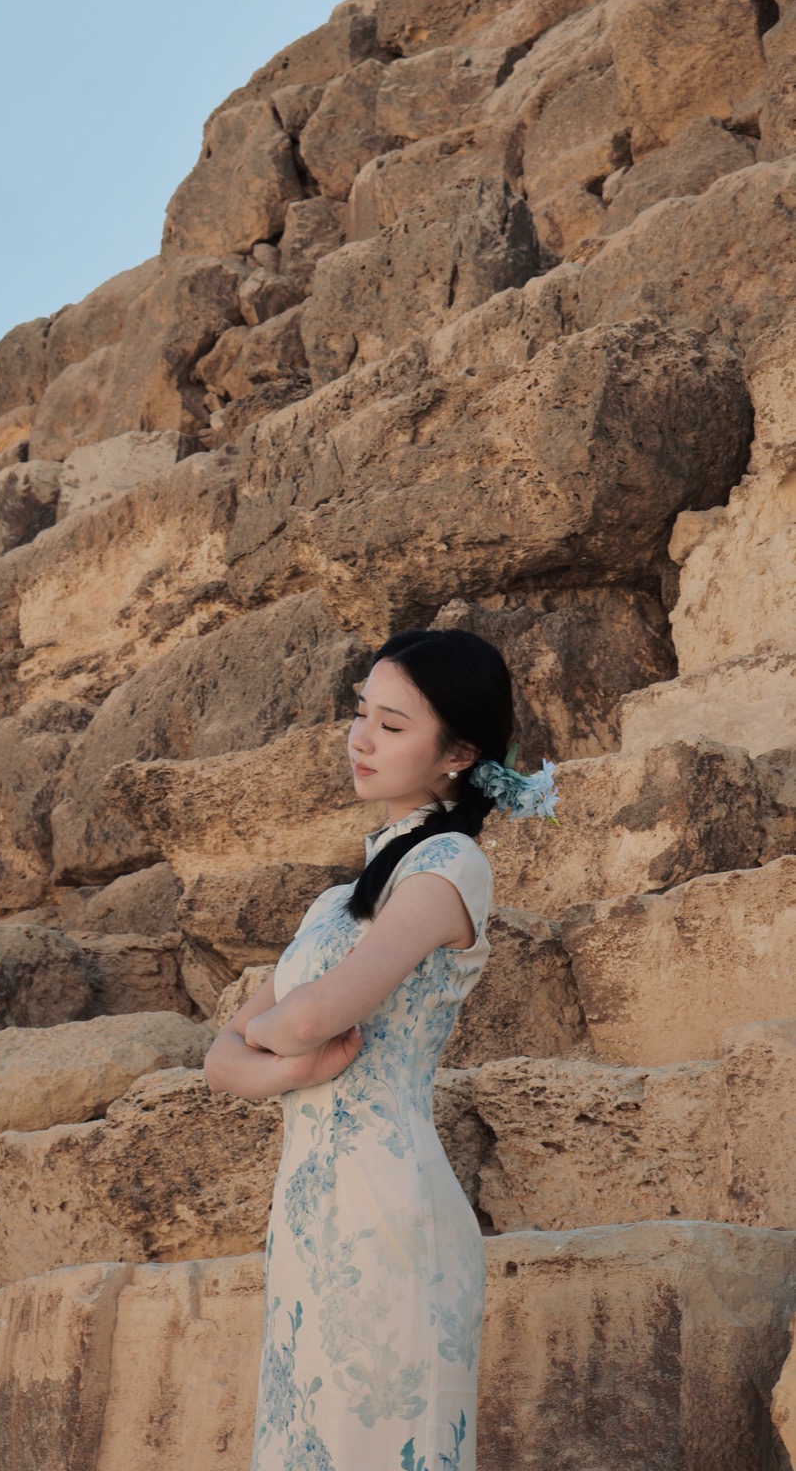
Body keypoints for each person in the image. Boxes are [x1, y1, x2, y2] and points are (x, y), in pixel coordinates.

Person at [204, 627, 558, 1471]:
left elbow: (297, 1017)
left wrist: (281, 1039)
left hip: (388, 1215)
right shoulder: (339, 901)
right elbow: (222, 1062)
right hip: (308, 1217)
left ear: (459, 753)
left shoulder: (450, 867)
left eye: (392, 726)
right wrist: (292, 1064)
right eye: (361, 714)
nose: (360, 738)